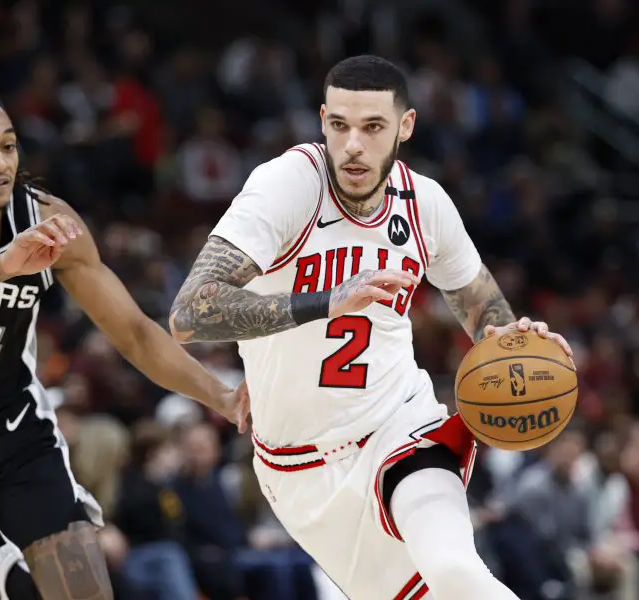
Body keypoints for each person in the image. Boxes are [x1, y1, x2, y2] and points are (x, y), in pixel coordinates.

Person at [0, 26, 247, 600]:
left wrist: (222, 398)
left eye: (8, 145)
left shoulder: (46, 221)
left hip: (12, 431)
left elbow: (136, 333)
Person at [169, 54, 575, 600]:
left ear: (405, 126)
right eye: (339, 125)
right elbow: (190, 313)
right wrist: (328, 301)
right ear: (321, 120)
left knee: (455, 570)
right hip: (299, 468)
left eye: (372, 127)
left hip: (399, 425)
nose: (353, 144)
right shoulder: (289, 185)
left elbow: (484, 309)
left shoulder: (424, 203)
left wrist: (511, 341)